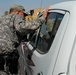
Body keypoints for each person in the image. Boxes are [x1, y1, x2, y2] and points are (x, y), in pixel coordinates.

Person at [0, 4, 50, 74]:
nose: (24, 18)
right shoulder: (16, 16)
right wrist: (42, 18)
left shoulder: (2, 18)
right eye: (24, 15)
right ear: (19, 12)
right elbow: (22, 28)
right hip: (7, 58)